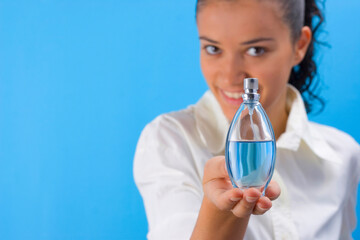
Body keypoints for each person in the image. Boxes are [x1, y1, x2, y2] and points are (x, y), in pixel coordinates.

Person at [134, 0, 360, 239]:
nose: (231, 75)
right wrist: (220, 211)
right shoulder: (170, 141)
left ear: (299, 46)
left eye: (256, 50)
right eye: (213, 48)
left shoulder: (344, 156)